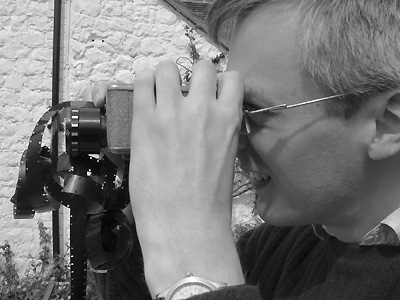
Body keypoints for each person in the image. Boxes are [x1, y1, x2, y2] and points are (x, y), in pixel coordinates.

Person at [89, 0, 400, 299]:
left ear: (387, 122)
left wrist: (195, 269)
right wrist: (137, 194)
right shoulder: (281, 248)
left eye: (252, 111)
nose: (230, 137)